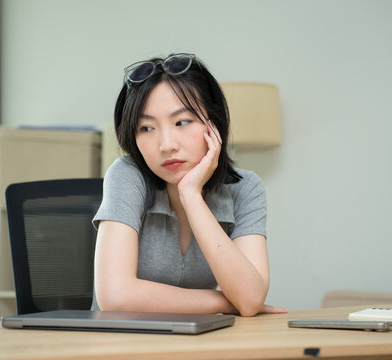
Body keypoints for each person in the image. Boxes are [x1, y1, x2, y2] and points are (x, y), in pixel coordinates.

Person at [92, 53, 287, 316]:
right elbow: (115, 297)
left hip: (199, 344)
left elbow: (250, 299)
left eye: (182, 122)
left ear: (213, 124)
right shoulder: (127, 175)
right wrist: (226, 302)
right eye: (146, 128)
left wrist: (191, 195)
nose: (166, 145)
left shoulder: (245, 187)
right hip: (122, 346)